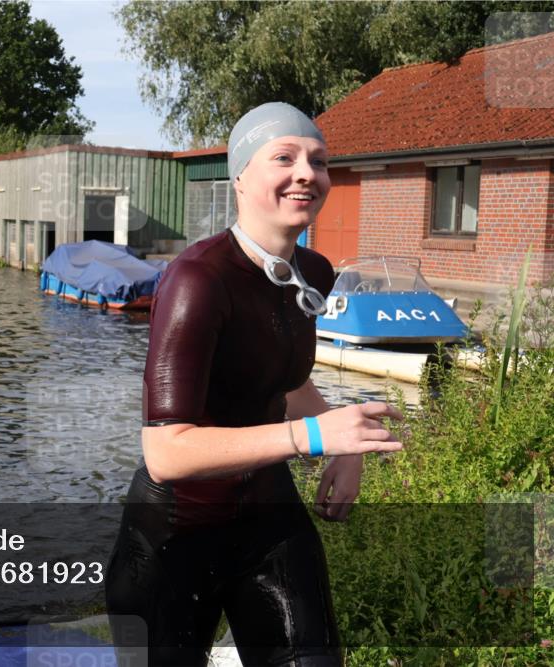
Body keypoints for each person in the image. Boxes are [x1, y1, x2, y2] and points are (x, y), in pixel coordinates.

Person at [104, 103, 405, 666]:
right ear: (240, 178)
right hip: (176, 533)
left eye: (318, 161)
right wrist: (312, 437)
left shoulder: (312, 271)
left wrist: (343, 447)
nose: (305, 173)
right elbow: (166, 452)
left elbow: (282, 377)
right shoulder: (198, 279)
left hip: (268, 517)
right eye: (284, 158)